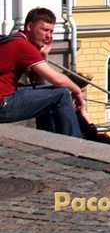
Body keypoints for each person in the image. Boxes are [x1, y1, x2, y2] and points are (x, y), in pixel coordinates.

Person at [0, 8, 84, 137]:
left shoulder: (15, 39)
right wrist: (77, 91)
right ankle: (76, 143)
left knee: (49, 94)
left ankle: (50, 138)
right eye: (44, 30)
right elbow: (57, 79)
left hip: (5, 97)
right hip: (3, 104)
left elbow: (37, 82)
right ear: (29, 26)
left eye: (51, 31)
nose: (49, 36)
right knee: (62, 94)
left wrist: (43, 55)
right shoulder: (22, 46)